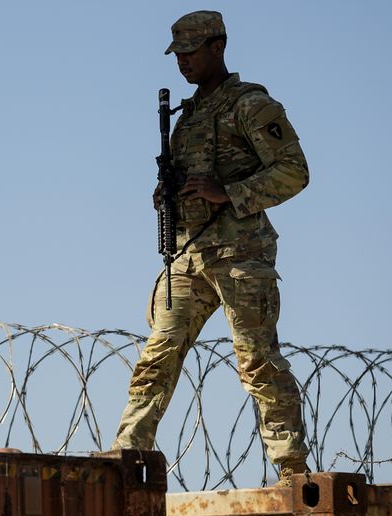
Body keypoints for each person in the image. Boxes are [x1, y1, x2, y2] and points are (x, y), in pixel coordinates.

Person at [111, 10, 311, 487]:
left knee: (257, 359)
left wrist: (229, 192)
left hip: (241, 255)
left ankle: (292, 470)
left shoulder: (250, 106)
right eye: (177, 54)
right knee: (157, 354)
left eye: (191, 52)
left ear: (217, 48)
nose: (183, 62)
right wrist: (167, 194)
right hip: (190, 254)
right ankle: (129, 451)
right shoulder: (188, 116)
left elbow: (294, 171)